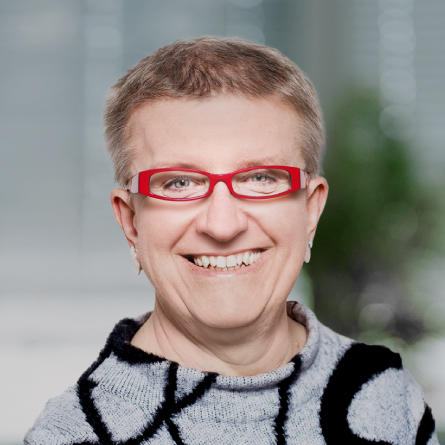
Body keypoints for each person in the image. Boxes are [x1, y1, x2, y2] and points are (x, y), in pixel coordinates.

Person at [25, 37, 438, 445]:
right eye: (179, 182)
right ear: (131, 221)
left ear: (310, 210)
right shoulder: (70, 437)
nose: (222, 226)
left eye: (261, 178)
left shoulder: (387, 397)